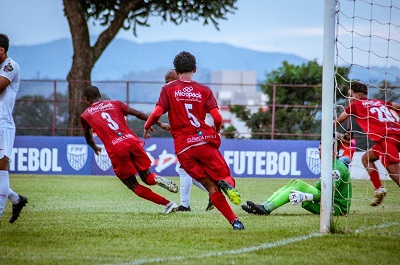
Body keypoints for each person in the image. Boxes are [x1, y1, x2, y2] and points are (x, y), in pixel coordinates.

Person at [144, 51, 244, 230]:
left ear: (176, 70)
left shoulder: (168, 89)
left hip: (184, 148)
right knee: (224, 176)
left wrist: (147, 126)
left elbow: (157, 113)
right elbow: (218, 118)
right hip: (204, 140)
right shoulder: (204, 90)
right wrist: (216, 130)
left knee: (209, 185)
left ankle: (235, 221)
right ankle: (227, 186)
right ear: (195, 69)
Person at [80, 85, 179, 214]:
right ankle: (155, 178)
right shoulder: (115, 103)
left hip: (117, 148)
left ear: (86, 99)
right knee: (147, 176)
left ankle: (169, 203)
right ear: (100, 96)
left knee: (133, 185)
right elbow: (138, 113)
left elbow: (87, 136)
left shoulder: (86, 115)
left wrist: (94, 147)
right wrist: (159, 123)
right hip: (132, 142)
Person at [242, 141, 352, 216]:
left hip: (336, 209)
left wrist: (305, 196)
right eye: (319, 150)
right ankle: (263, 206)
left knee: (298, 184)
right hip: (327, 203)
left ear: (332, 152)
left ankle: (266, 209)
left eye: (322, 150)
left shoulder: (335, 170)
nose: (319, 153)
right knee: (294, 182)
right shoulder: (329, 164)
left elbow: (328, 194)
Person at [334, 81, 400, 206]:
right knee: (366, 158)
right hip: (394, 135)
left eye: (350, 94)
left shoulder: (355, 105)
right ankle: (378, 189)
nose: (348, 98)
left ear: (358, 95)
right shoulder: (380, 102)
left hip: (386, 139)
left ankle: (379, 189)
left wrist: (327, 130)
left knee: (395, 174)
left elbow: (337, 121)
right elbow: (398, 106)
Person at [165, 69, 213, 212]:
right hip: (194, 136)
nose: (167, 85)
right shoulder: (192, 92)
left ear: (178, 77)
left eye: (169, 81)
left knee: (182, 168)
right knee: (187, 171)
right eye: (166, 82)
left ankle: (185, 205)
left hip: (189, 137)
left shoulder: (178, 94)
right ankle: (212, 191)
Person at [0, 33, 28, 224]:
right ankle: (16, 200)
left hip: (3, 124)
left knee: (1, 168)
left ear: (1, 50)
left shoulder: (10, 66)